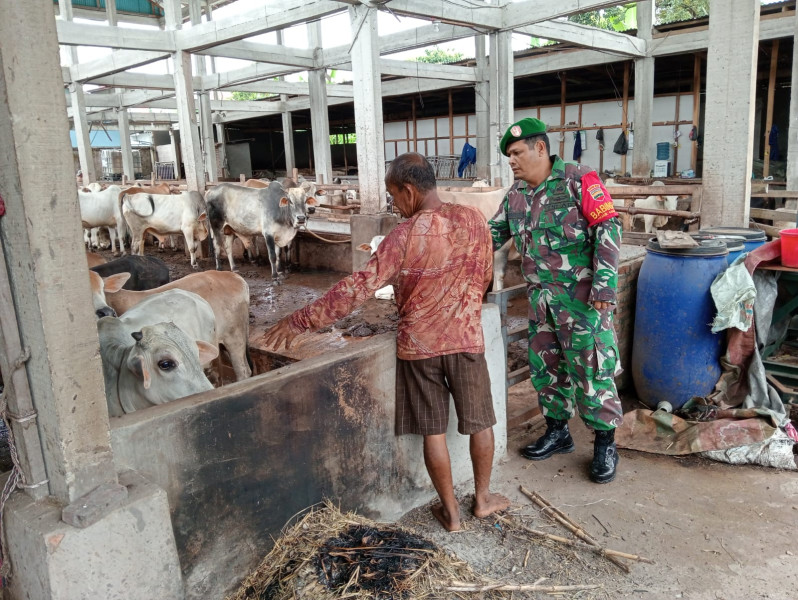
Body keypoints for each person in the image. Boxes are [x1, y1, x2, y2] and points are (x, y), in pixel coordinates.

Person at [263, 152, 510, 530]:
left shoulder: (403, 236)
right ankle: (482, 499)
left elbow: (355, 290)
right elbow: (487, 277)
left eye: (394, 195)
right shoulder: (474, 220)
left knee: (433, 431)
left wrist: (299, 320)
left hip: (419, 349)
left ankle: (452, 514)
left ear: (409, 191)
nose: (395, 204)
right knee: (481, 423)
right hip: (467, 340)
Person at [488, 118, 624, 484]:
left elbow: (608, 230)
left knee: (591, 370)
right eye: (509, 156)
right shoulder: (515, 195)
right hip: (542, 303)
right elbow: (491, 234)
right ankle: (558, 432)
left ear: (541, 149)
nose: (512, 161)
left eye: (517, 153)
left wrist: (604, 288)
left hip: (582, 302)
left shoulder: (579, 179)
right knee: (546, 370)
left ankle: (605, 444)